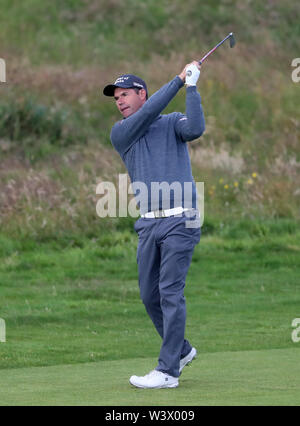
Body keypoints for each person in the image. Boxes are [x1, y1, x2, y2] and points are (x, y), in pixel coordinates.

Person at [103, 61, 205, 389]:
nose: (119, 101)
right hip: (148, 224)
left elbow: (195, 129)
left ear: (141, 93)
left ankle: (168, 371)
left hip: (181, 218)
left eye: (125, 94)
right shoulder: (122, 132)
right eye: (115, 97)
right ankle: (182, 350)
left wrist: (191, 87)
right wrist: (177, 80)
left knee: (170, 292)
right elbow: (148, 114)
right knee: (149, 295)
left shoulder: (173, 122)